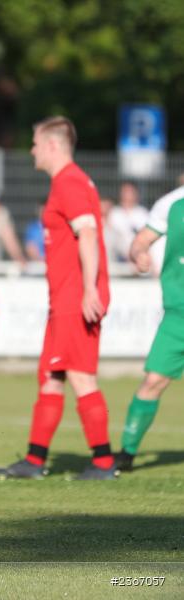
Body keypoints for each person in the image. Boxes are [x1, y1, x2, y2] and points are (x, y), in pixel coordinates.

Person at [0, 116, 114, 481]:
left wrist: (89, 289)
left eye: (35, 143)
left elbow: (88, 235)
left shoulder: (70, 182)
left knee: (79, 376)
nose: (31, 150)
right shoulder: (68, 182)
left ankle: (104, 463)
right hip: (64, 296)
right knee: (50, 375)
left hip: (75, 297)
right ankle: (34, 460)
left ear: (53, 145)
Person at [115, 179, 184, 471]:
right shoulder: (171, 203)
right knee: (153, 381)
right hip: (178, 313)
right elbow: (141, 240)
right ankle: (127, 454)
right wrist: (139, 253)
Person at [107, 181, 148, 264]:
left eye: (130, 192)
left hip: (138, 251)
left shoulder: (142, 213)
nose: (127, 195)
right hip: (118, 253)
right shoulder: (114, 213)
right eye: (125, 192)